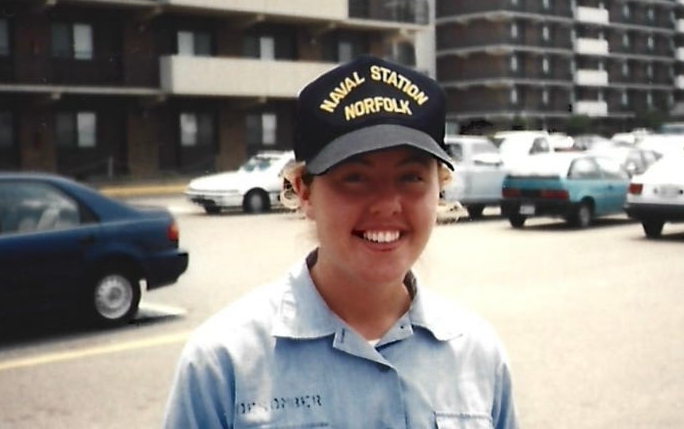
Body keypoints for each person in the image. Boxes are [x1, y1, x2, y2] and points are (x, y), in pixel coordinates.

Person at [162, 55, 518, 428]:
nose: (386, 204)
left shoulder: (477, 354)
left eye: (410, 177)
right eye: (354, 177)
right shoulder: (223, 363)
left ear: (439, 189)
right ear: (303, 191)